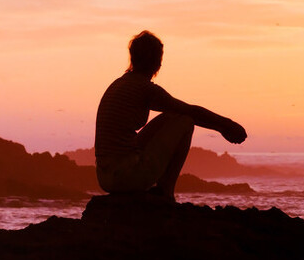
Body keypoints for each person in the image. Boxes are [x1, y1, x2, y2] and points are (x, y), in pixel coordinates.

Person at [94, 30, 247, 201]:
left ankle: (158, 189)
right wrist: (226, 125)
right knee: (185, 121)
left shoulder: (120, 84)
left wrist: (221, 126)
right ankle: (166, 191)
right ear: (156, 62)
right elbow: (190, 112)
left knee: (171, 116)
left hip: (105, 178)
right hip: (126, 177)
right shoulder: (145, 88)